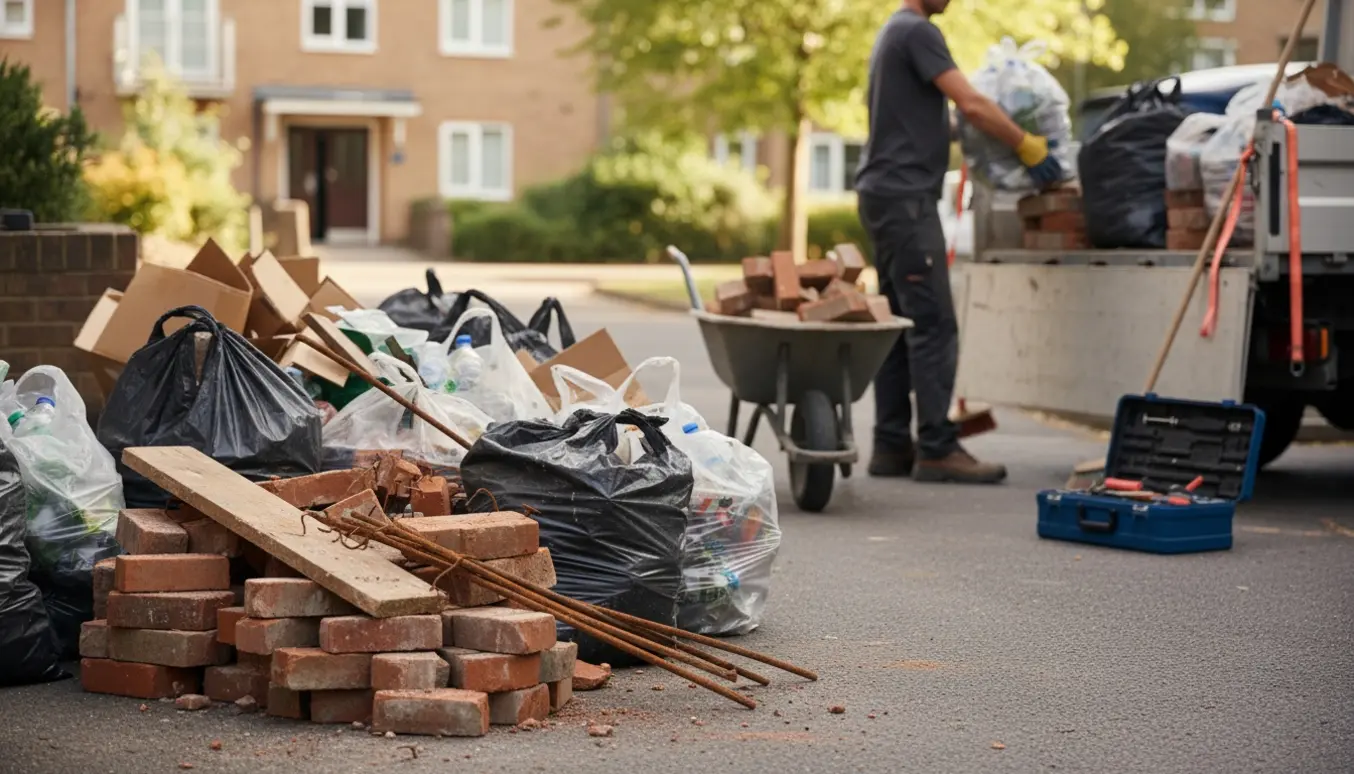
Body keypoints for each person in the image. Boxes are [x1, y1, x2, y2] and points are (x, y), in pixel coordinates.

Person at [855, 0, 1063, 484]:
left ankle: (890, 446)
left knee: (898, 324)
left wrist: (969, 133)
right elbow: (969, 101)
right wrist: (1024, 144)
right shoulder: (918, 31)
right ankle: (936, 448)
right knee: (932, 324)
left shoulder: (892, 33)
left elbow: (926, 119)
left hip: (885, 196)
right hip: (906, 200)